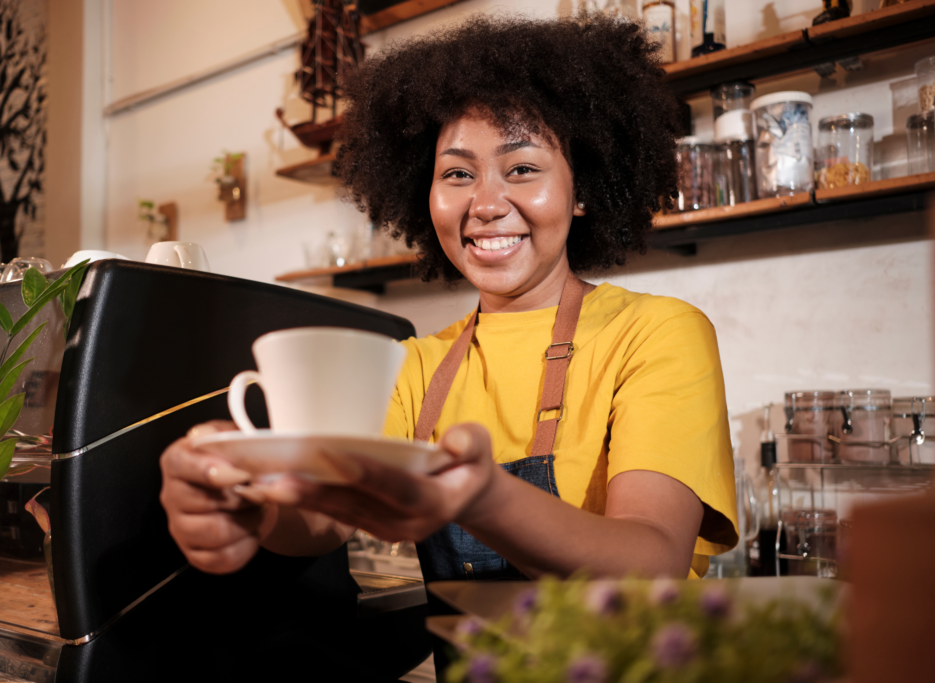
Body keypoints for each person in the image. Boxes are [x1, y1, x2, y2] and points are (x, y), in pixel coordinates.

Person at [160, 8, 736, 651]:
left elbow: (651, 563)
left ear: (583, 190)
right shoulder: (412, 364)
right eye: (457, 173)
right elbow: (321, 514)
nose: (485, 204)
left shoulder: (655, 334)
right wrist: (246, 496)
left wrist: (479, 496)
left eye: (521, 168)